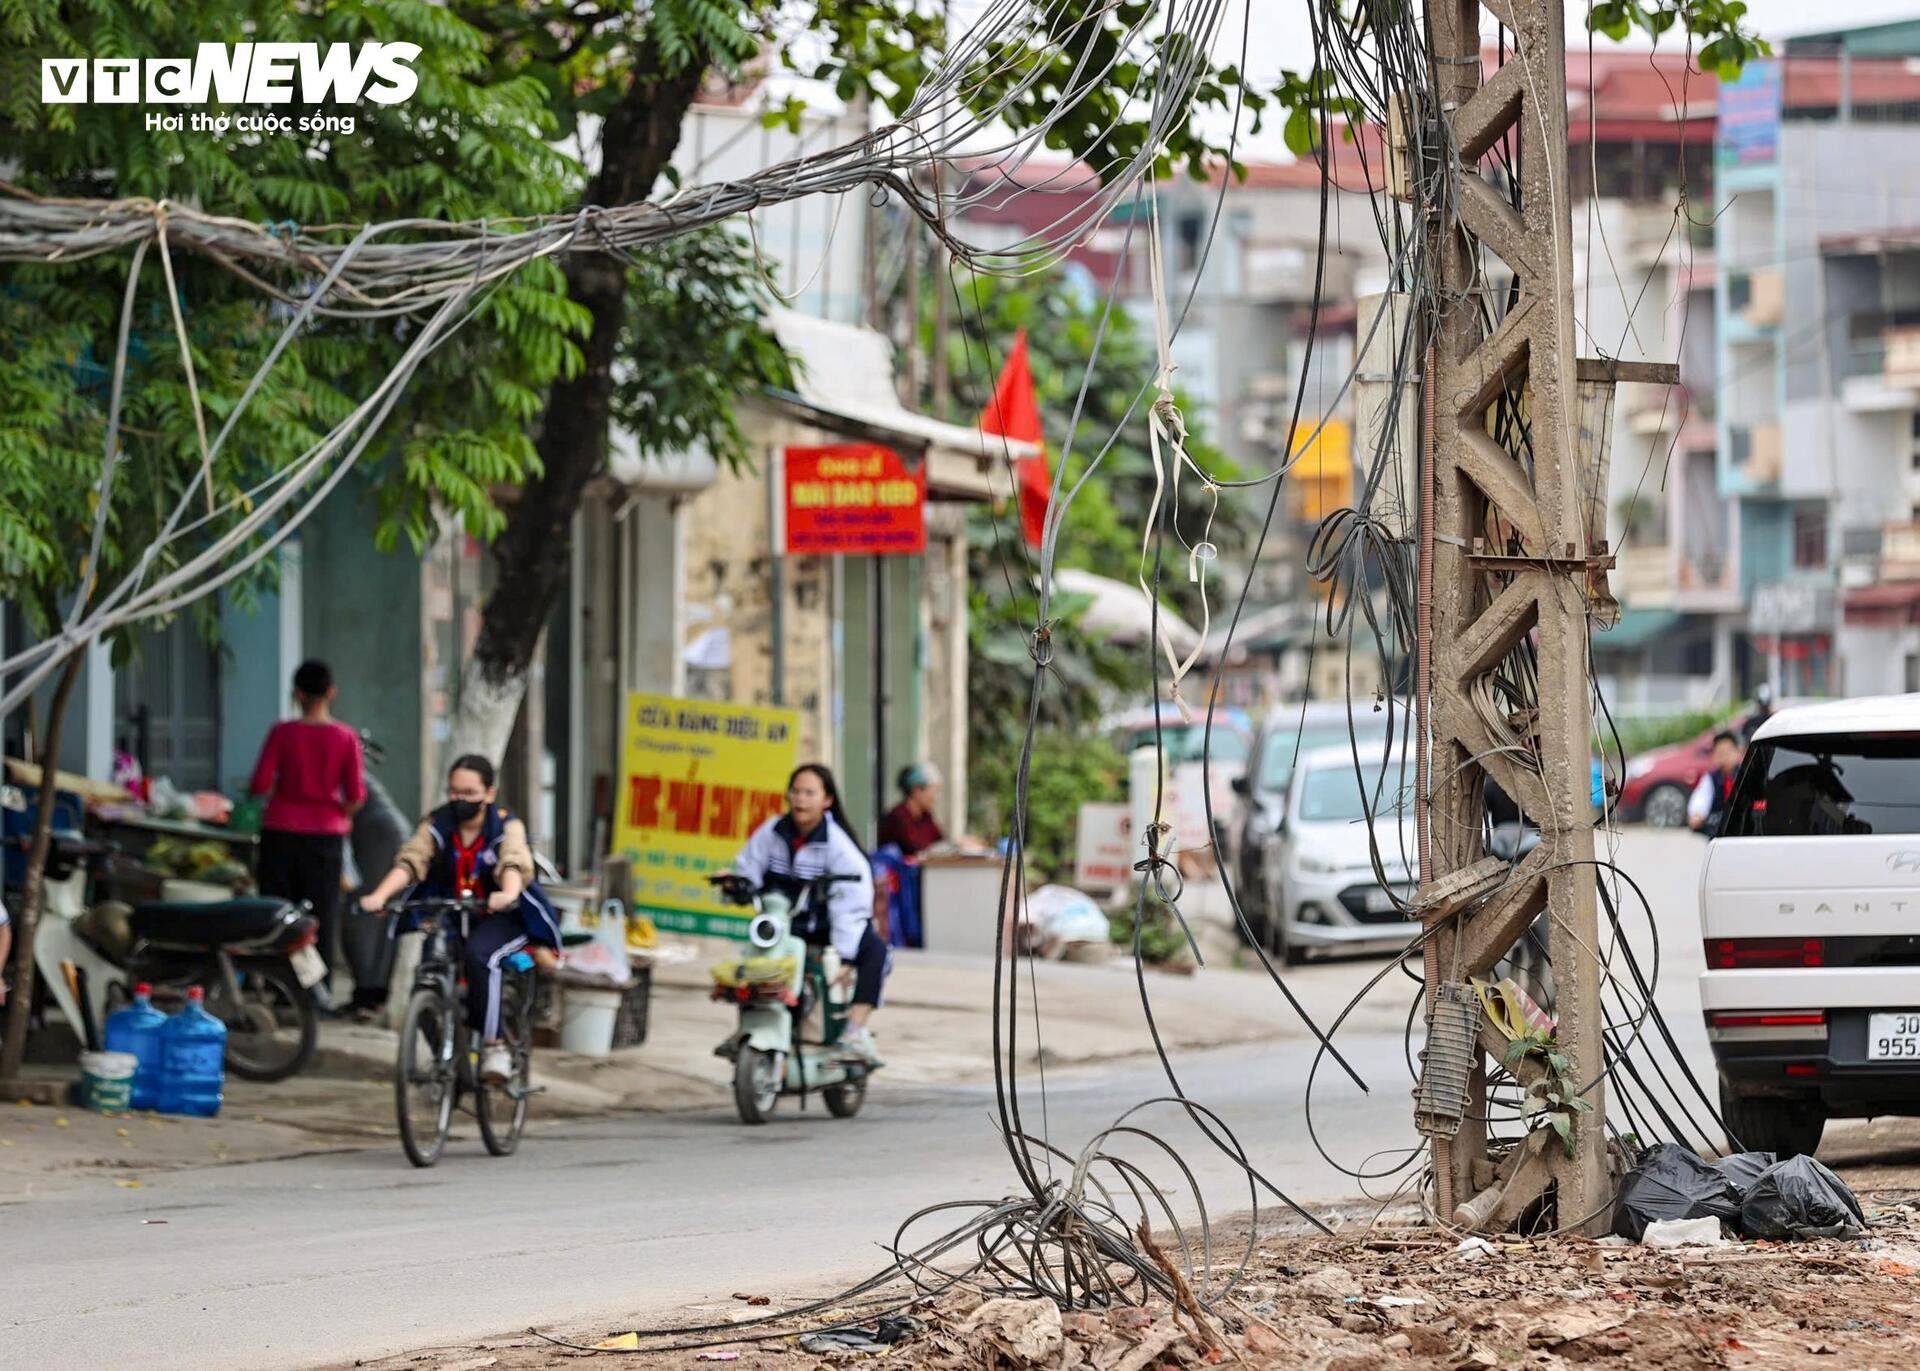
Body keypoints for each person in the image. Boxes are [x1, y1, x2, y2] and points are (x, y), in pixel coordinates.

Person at [358, 755, 561, 1085]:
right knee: (427, 978)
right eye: (454, 792)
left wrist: (507, 893)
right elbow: (412, 860)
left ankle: (495, 1045)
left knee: (480, 957)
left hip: (501, 916)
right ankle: (447, 1061)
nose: (460, 800)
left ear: (489, 793)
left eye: (469, 793)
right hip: (451, 913)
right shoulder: (437, 823)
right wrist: (380, 895)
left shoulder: (506, 824)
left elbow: (514, 860)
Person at [733, 764, 885, 1065]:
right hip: (783, 925)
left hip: (826, 926)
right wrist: (736, 883)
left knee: (876, 951)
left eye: (809, 793)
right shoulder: (772, 831)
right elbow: (748, 866)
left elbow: (849, 905)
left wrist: (844, 955)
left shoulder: (839, 847)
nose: (800, 799)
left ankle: (853, 1032)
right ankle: (750, 1028)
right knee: (750, 969)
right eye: (796, 791)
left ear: (827, 800)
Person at [249, 660, 366, 1012]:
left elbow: (259, 785)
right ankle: (315, 994)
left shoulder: (282, 733)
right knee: (321, 917)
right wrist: (336, 815)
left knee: (276, 912)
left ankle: (275, 989)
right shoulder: (345, 737)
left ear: (297, 694)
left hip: (280, 832)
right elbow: (356, 796)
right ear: (331, 692)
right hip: (326, 838)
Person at [878, 764, 946, 858]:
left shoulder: (926, 816)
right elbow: (915, 848)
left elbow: (940, 842)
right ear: (917, 791)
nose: (935, 798)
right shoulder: (898, 816)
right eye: (933, 792)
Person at [1688, 730, 1743, 838]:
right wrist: (1697, 814)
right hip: (1717, 830)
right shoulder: (1710, 778)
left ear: (1738, 752)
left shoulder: (1746, 774)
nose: (1724, 757)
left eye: (1728, 752)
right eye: (1720, 752)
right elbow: (1701, 797)